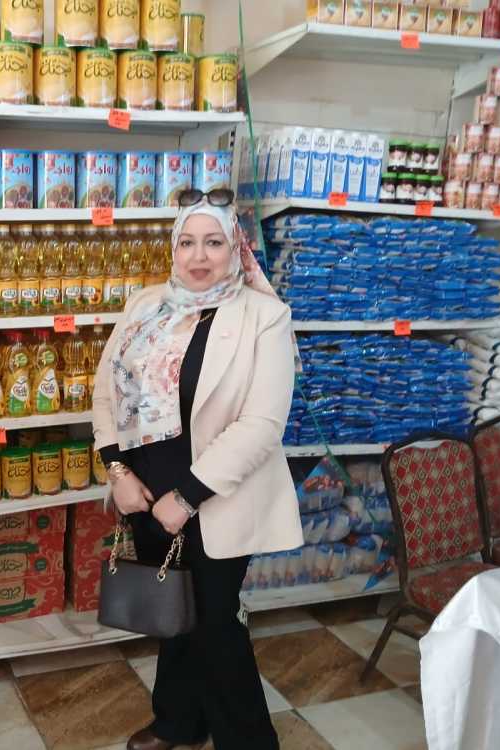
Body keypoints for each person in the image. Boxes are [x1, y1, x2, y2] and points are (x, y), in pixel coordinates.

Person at [91, 190, 303, 750]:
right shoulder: (145, 306)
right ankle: (178, 721)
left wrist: (185, 496)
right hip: (144, 495)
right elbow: (106, 392)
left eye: (213, 242)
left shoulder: (264, 317)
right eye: (187, 242)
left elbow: (261, 424)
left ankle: (249, 741)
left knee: (215, 625)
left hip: (214, 500)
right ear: (173, 248)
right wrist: (118, 472)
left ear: (235, 248)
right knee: (175, 612)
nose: (198, 256)